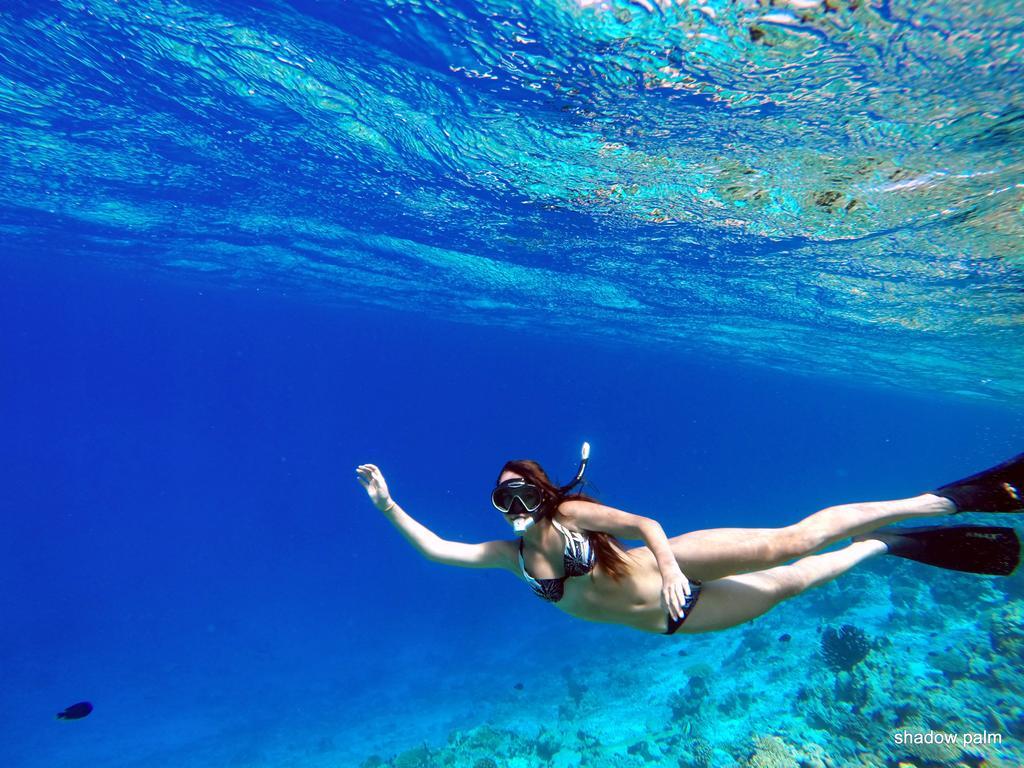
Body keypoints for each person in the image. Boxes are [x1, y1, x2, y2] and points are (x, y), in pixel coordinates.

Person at [355, 447, 1022, 635]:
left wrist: (672, 566)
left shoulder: (575, 520)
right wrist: (389, 506)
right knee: (797, 583)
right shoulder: (511, 560)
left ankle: (943, 499)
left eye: (525, 493)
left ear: (546, 495)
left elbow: (644, 526)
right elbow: (437, 550)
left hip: (675, 567)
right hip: (678, 620)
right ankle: (890, 545)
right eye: (504, 499)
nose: (516, 508)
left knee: (789, 543)